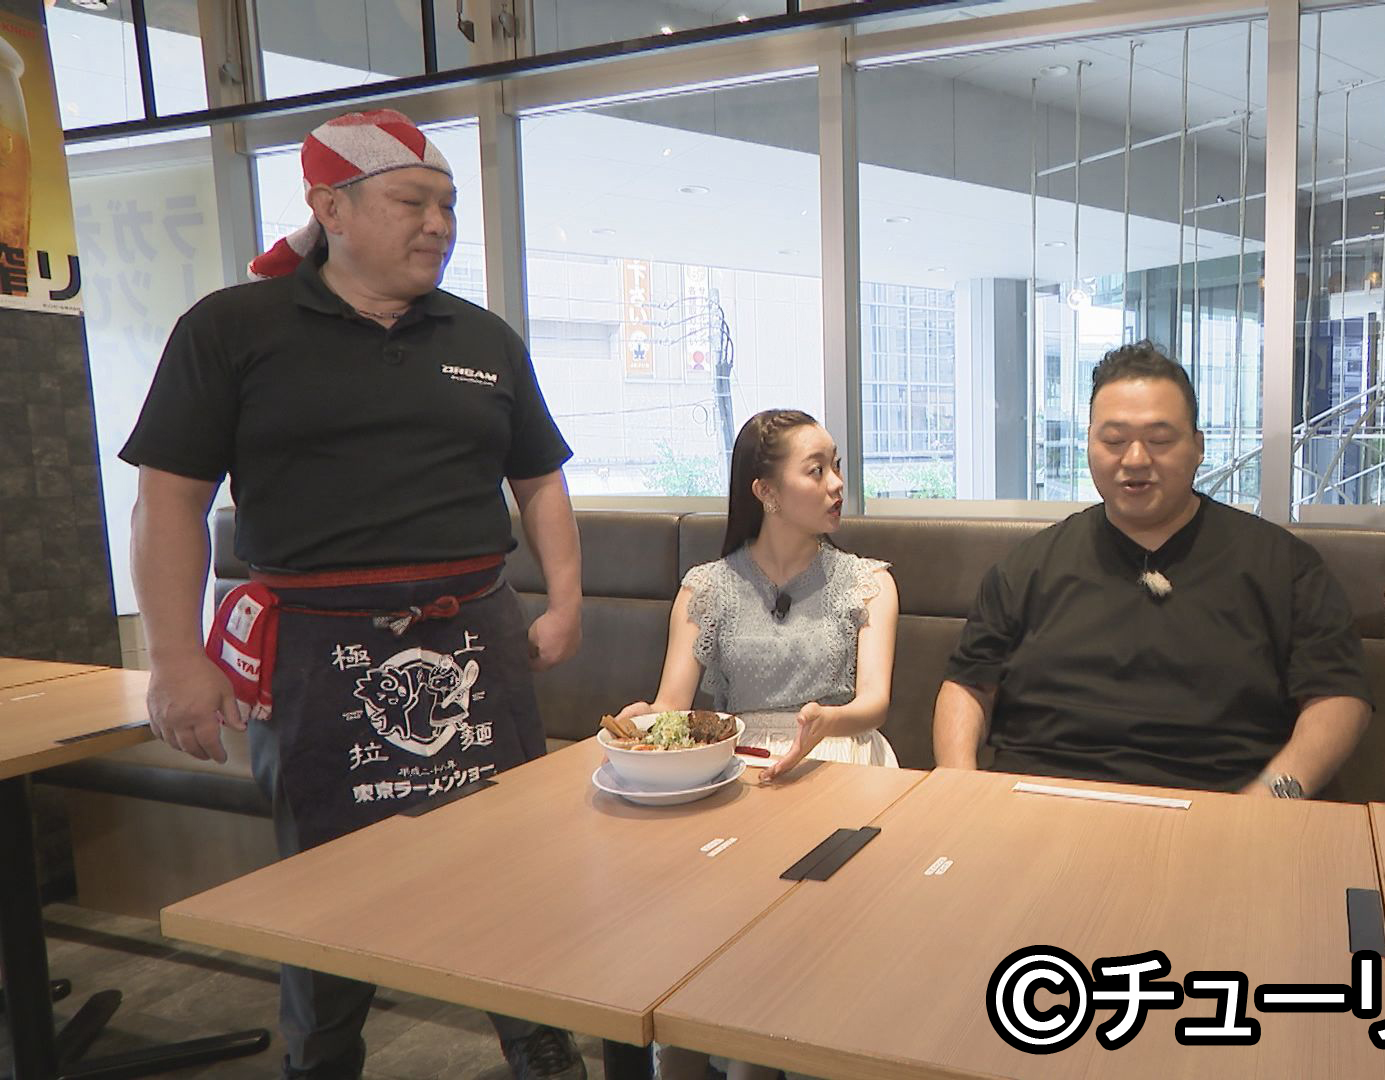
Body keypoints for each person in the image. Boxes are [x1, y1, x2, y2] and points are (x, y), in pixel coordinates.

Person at [121, 109, 589, 1079]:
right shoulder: (232, 327)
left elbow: (539, 478)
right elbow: (169, 502)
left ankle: (542, 1049)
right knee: (324, 880)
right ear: (330, 207)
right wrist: (175, 657)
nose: (439, 224)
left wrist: (566, 601)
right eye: (412, 202)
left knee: (514, 863)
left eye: (448, 205)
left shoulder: (483, 336)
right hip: (313, 650)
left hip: (476, 637)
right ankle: (322, 1061)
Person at [933, 342, 1372, 796]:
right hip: (1039, 800)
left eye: (1160, 440)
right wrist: (960, 787)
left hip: (1224, 805)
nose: (1136, 459)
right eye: (1114, 440)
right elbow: (967, 686)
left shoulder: (1282, 566)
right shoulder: (1026, 569)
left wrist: (1271, 798)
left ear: (1198, 447)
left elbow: (1338, 697)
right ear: (1089, 445)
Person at [613, 409, 897, 1080]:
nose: (837, 484)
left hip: (840, 757)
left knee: (806, 950)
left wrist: (824, 722)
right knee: (698, 935)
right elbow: (674, 706)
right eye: (816, 470)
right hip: (738, 768)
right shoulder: (706, 588)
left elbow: (874, 703)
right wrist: (644, 721)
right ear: (765, 491)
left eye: (836, 466)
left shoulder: (870, 581)